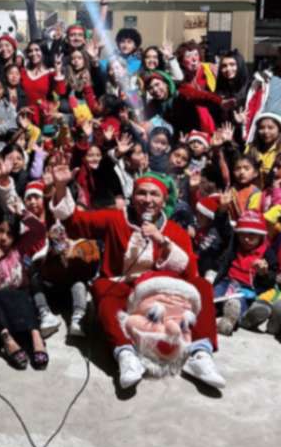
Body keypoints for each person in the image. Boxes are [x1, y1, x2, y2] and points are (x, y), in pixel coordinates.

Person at [49, 163, 224, 391]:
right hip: (126, 289)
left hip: (164, 296)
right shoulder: (115, 219)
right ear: (132, 197)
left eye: (154, 194)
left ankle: (200, 354)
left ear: (164, 201)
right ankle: (126, 354)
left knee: (202, 285)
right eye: (142, 193)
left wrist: (163, 242)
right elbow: (75, 223)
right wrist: (61, 187)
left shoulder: (175, 231)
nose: (147, 200)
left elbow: (190, 273)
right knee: (102, 287)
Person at [0, 206, 49, 370]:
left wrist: (22, 213)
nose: (3, 238)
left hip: (18, 302)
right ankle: (7, 339)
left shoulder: (17, 249)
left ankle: (36, 336)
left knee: (23, 294)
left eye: (9, 234)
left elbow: (40, 231)